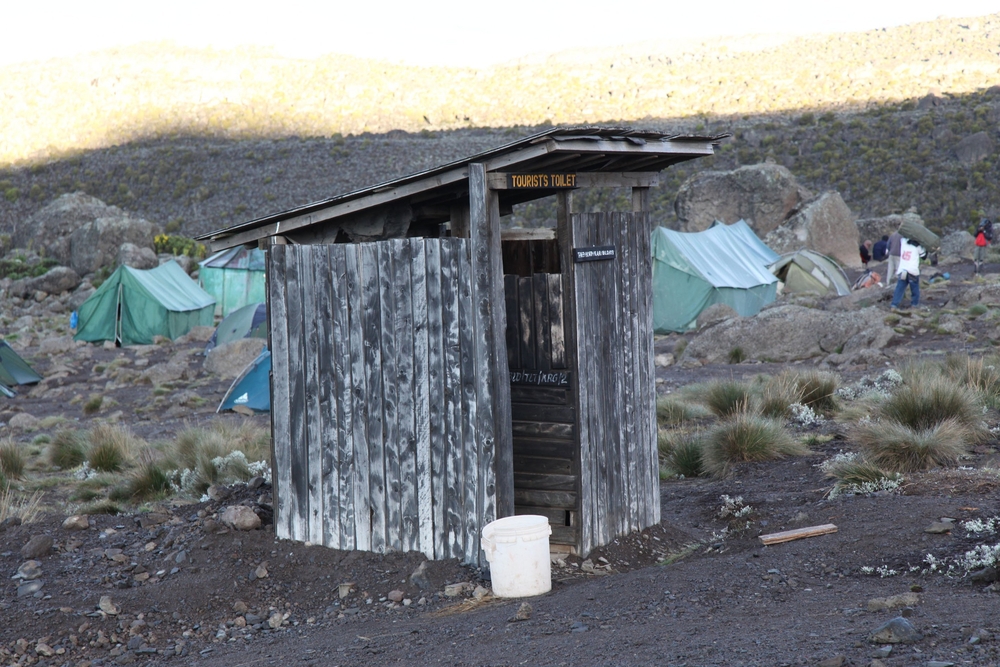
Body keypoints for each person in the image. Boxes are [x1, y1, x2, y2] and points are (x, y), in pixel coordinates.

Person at [891, 236, 927, 309]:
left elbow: (902, 238)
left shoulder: (903, 241)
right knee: (914, 288)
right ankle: (914, 305)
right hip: (912, 271)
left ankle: (894, 304)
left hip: (903, 269)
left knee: (900, 288)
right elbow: (924, 257)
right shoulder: (917, 246)